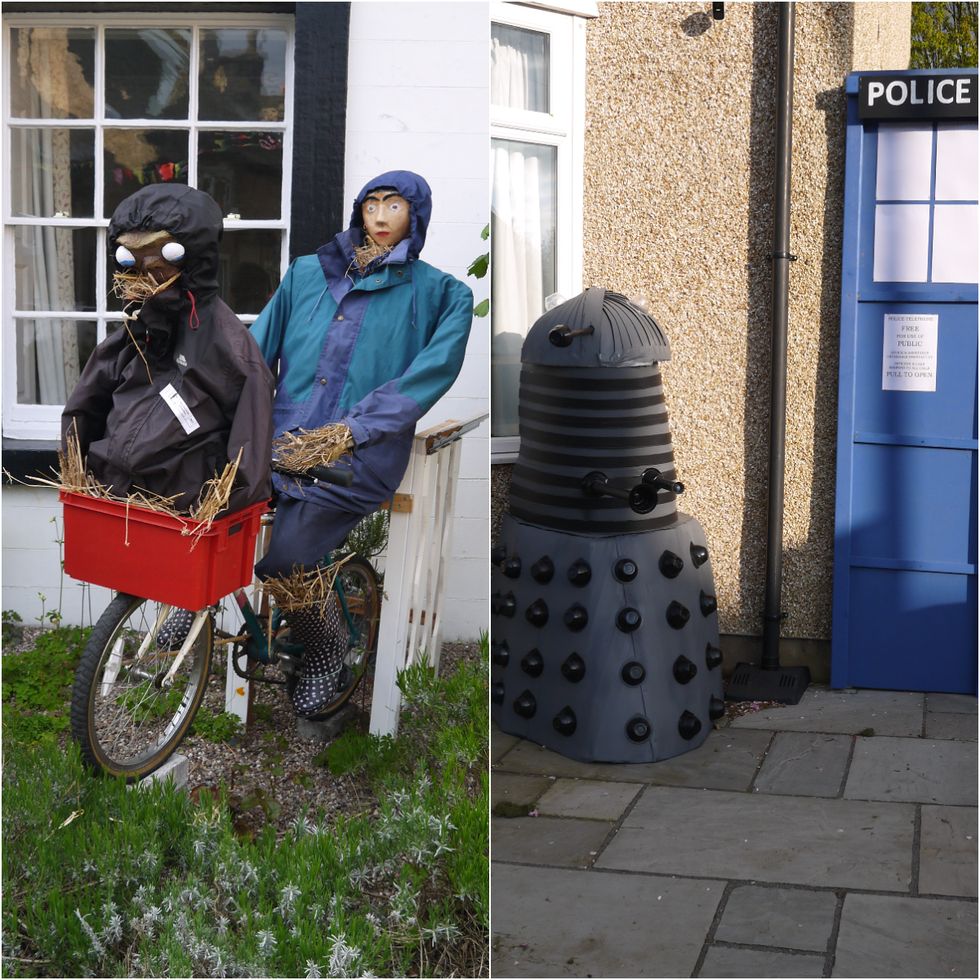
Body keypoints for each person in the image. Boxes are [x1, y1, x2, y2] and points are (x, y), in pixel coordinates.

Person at [250, 169, 473, 716]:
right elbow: (256, 354)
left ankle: (328, 653)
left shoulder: (444, 295)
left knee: (287, 561)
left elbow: (427, 376)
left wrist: (354, 429)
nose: (379, 216)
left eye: (394, 206)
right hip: (279, 442)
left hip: (356, 458)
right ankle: (194, 601)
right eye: (371, 204)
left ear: (414, 218)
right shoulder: (307, 273)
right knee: (205, 509)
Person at [62, 184, 275, 516]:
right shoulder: (134, 333)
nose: (147, 268)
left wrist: (216, 514)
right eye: (132, 255)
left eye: (161, 252)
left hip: (179, 516)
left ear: (193, 255)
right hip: (113, 503)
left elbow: (248, 451)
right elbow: (85, 407)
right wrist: (77, 475)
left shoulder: (228, 348)